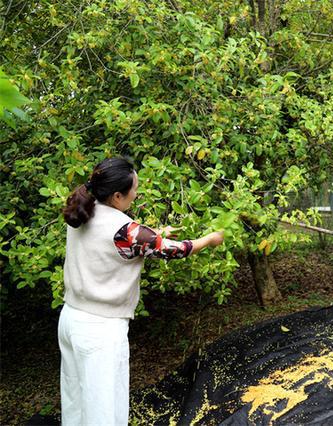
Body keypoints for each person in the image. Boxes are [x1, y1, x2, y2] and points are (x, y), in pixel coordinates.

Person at [59, 157, 225, 425]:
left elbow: (118, 242)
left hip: (71, 318)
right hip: (99, 329)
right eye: (134, 189)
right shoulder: (124, 229)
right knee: (104, 411)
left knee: (76, 402)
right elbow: (177, 250)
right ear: (116, 196)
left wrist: (155, 234)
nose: (136, 194)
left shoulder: (82, 212)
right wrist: (209, 239)